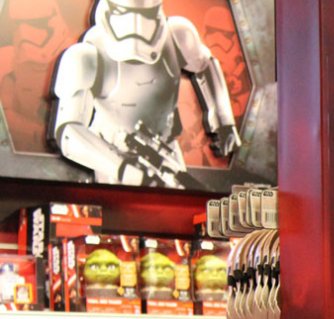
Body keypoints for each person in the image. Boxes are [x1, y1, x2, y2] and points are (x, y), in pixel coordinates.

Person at [50, 0, 241, 188]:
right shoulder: (86, 55)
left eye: (145, 16)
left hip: (166, 153)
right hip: (113, 157)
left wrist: (224, 122)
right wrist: (122, 168)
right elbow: (68, 132)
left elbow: (205, 65)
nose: (136, 26)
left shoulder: (178, 36)